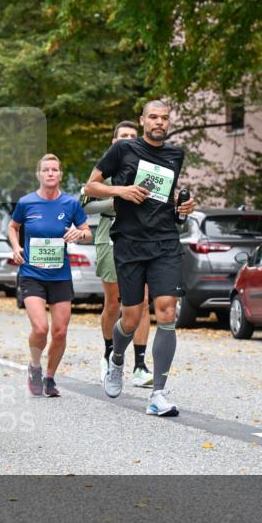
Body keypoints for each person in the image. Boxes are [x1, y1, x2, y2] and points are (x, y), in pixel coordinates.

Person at [84, 100, 196, 416]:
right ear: (143, 120)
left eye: (165, 118)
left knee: (166, 311)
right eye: (154, 117)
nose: (159, 122)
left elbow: (168, 195)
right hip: (130, 242)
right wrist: (121, 192)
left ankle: (158, 394)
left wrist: (183, 205)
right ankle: (117, 359)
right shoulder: (123, 151)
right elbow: (89, 186)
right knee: (131, 318)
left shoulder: (176, 155)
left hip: (164, 241)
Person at [9, 154, 91, 397]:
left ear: (61, 174)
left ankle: (50, 378)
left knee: (60, 331)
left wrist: (79, 234)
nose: (51, 173)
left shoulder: (71, 204)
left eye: (55, 169)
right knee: (41, 327)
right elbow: (13, 228)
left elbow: (87, 232)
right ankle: (35, 366)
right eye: (46, 170)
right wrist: (16, 247)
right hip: (32, 274)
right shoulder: (26, 203)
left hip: (60, 275)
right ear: (39, 174)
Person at [82, 121, 154, 386]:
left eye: (132, 136)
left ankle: (141, 365)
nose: (128, 139)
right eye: (123, 136)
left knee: (142, 303)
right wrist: (115, 200)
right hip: (110, 240)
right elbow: (85, 207)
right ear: (114, 142)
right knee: (115, 303)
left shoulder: (146, 170)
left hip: (140, 242)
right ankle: (109, 353)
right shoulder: (106, 170)